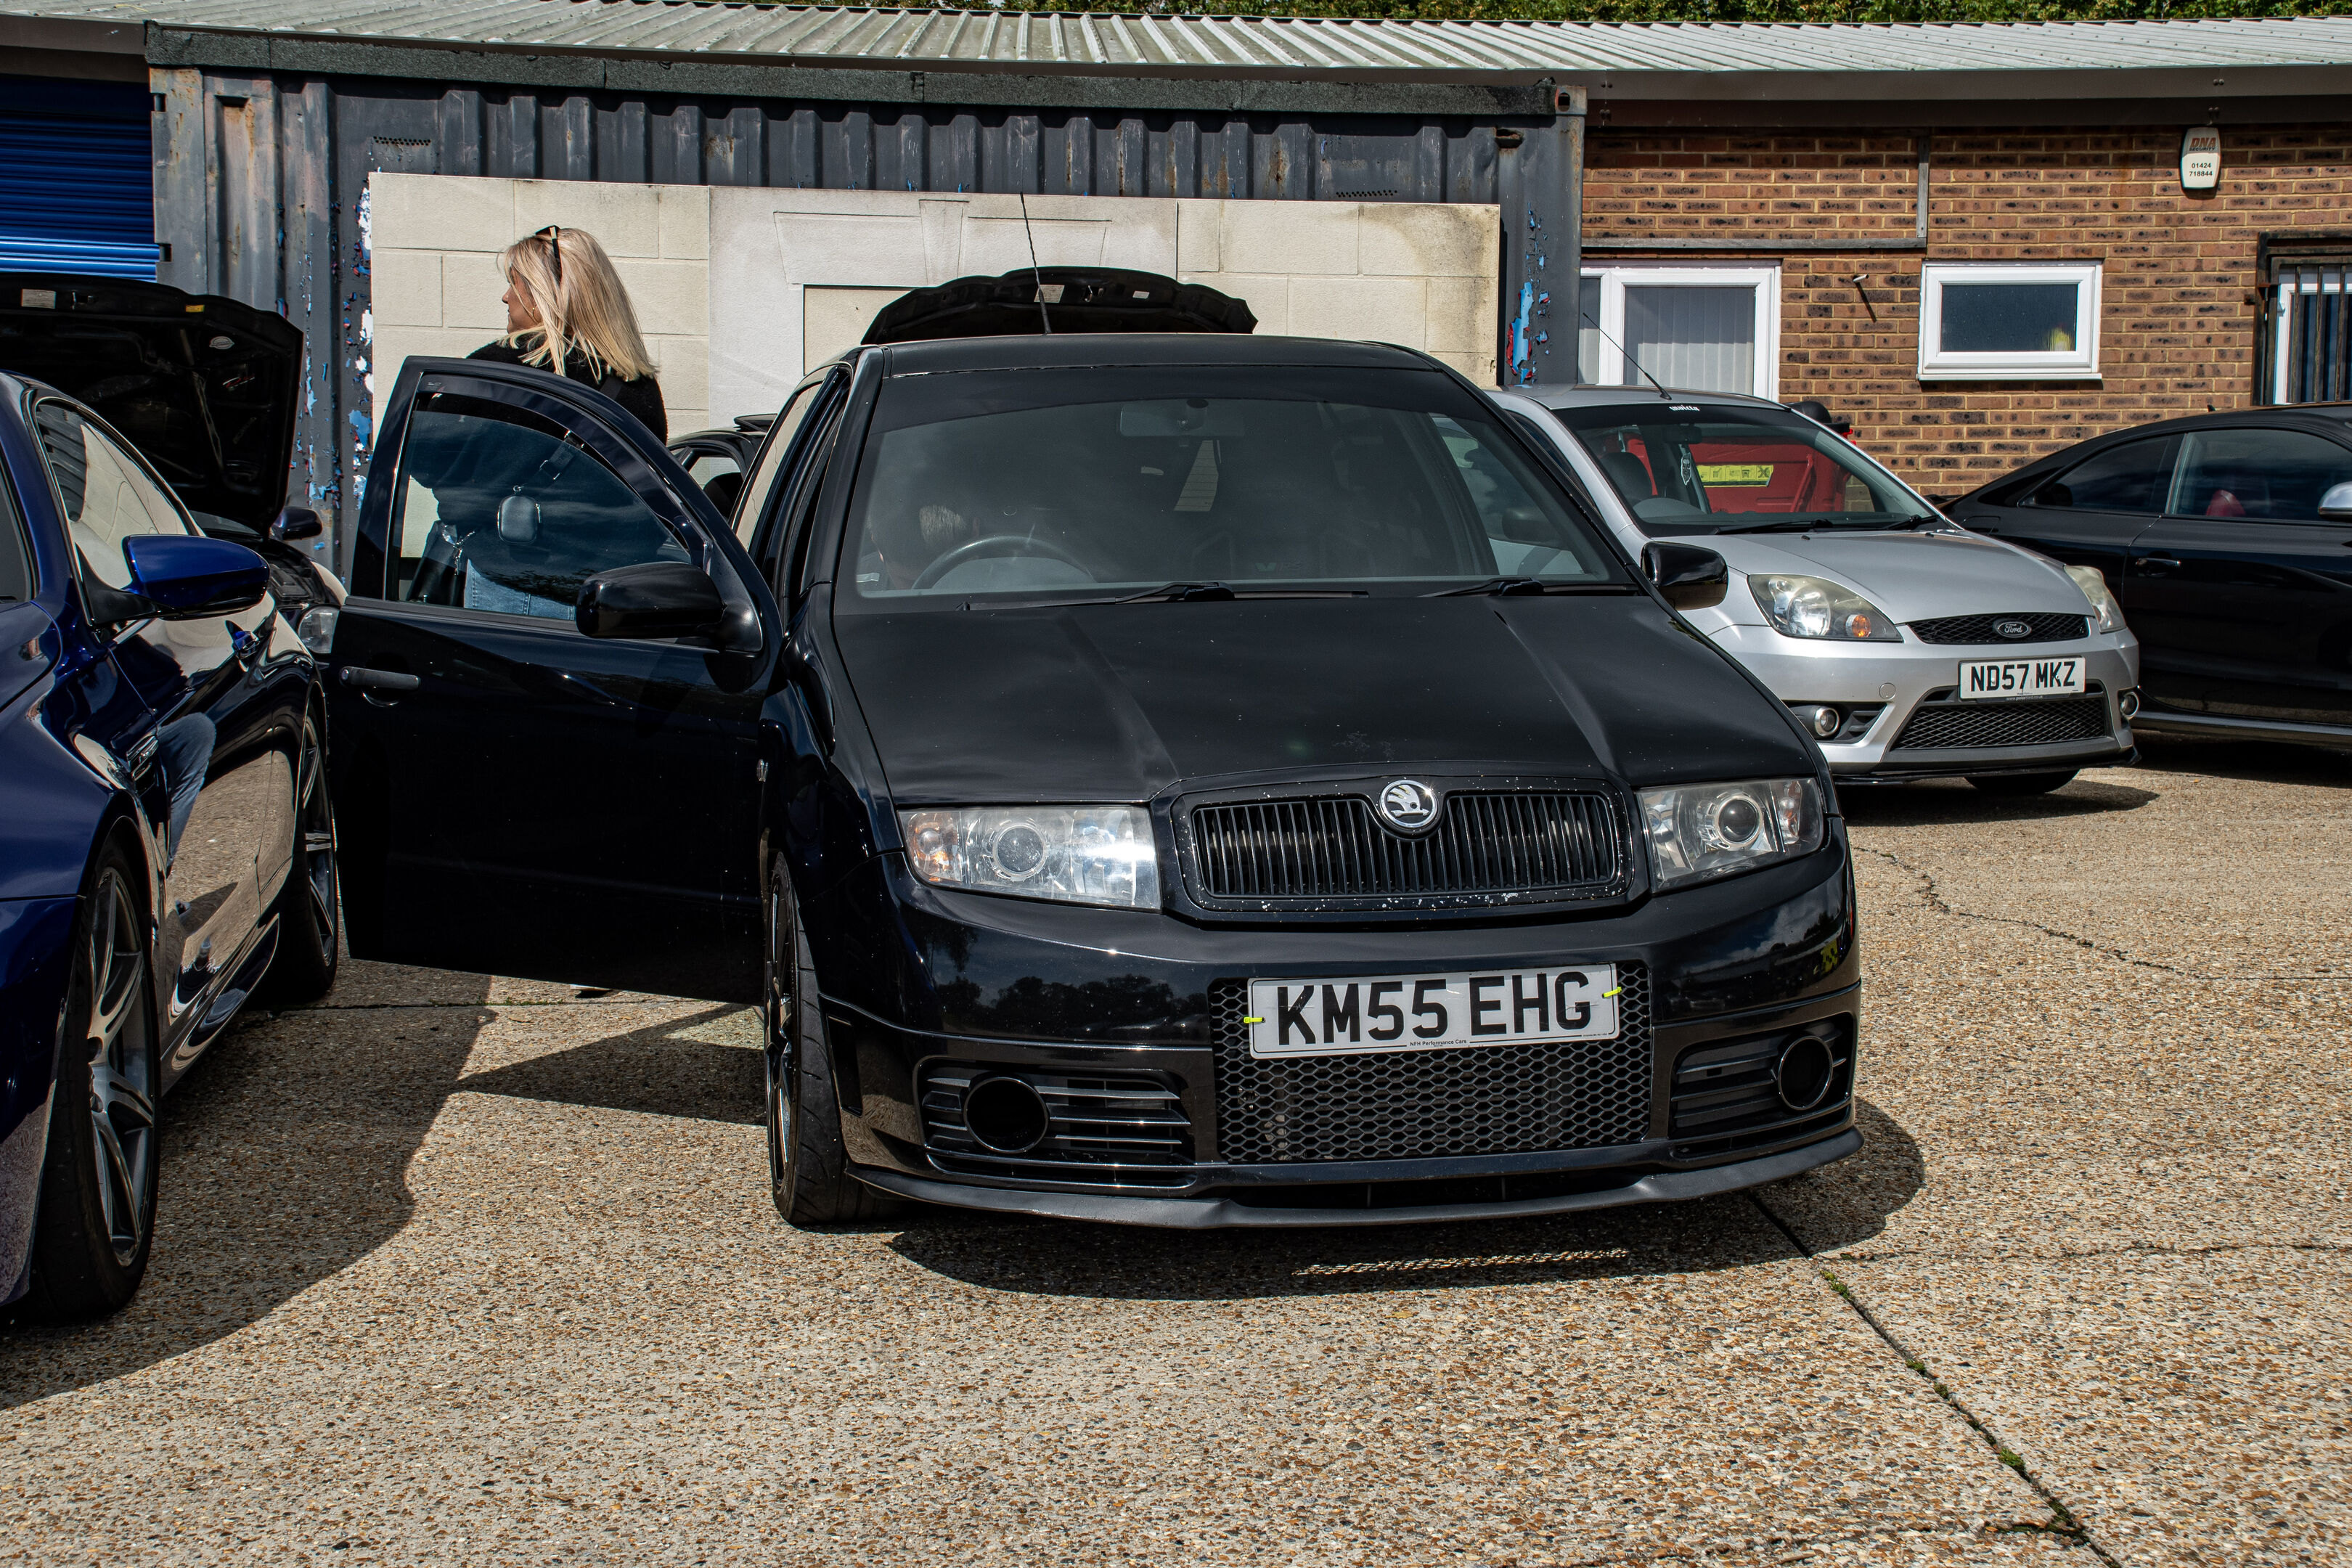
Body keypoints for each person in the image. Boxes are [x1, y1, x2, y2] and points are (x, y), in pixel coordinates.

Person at [470, 224, 667, 441]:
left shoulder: (499, 369)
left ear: (541, 295)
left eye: (513, 283)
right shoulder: (639, 384)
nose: (506, 297)